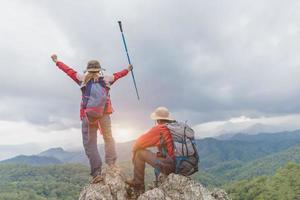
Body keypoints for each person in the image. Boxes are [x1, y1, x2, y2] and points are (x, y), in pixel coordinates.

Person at [51, 54, 132, 183]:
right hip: (104, 114)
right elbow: (119, 75)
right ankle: (111, 164)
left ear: (88, 70)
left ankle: (96, 173)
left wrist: (57, 61)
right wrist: (128, 69)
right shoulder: (107, 79)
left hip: (88, 116)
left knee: (90, 144)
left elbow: (68, 70)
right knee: (108, 137)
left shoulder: (82, 79)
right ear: (99, 70)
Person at [126, 107, 177, 195]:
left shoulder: (160, 129)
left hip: (170, 165)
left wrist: (133, 153)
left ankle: (138, 184)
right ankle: (157, 182)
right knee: (158, 156)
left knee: (139, 153)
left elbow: (139, 142)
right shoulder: (173, 128)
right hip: (179, 165)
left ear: (158, 120)